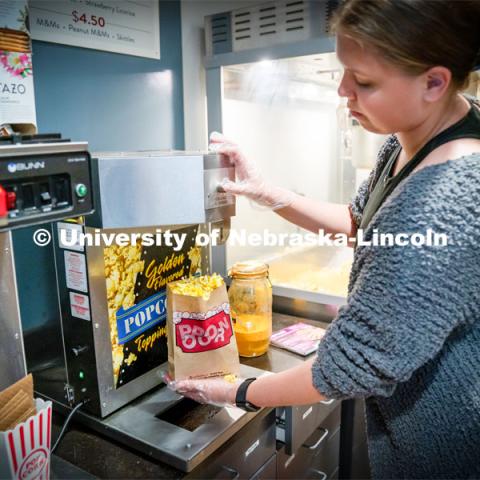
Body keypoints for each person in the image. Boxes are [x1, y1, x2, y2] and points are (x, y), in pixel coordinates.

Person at [166, 1, 480, 477]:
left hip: (440, 450)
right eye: (343, 71)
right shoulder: (414, 135)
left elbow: (346, 367)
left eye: (364, 81)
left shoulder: (442, 199)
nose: (342, 90)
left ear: (434, 82)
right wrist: (266, 192)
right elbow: (359, 219)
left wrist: (235, 391)